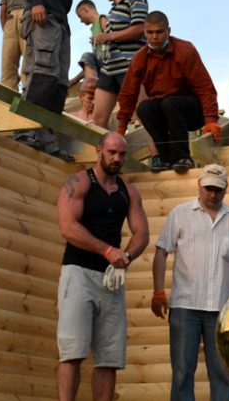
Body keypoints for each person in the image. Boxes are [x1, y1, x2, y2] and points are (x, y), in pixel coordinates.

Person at [57, 131, 149, 401]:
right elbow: (67, 227)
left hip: (112, 279)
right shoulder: (79, 183)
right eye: (112, 152)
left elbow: (141, 234)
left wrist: (126, 259)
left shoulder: (128, 191)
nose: (117, 158)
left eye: (122, 154)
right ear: (98, 151)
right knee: (72, 351)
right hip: (78, 273)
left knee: (109, 357)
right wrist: (108, 250)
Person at [151, 164, 229, 401]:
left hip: (223, 310)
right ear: (199, 185)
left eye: (218, 190)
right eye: (208, 188)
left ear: (226, 189)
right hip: (185, 306)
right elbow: (161, 252)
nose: (212, 194)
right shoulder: (180, 213)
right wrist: (158, 291)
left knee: (222, 374)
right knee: (182, 372)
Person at [16, 0, 109, 159]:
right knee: (42, 72)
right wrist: (36, 2)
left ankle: (47, 138)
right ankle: (25, 129)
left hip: (59, 21)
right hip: (43, 17)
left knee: (58, 82)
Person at [115, 11, 221, 174]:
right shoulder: (140, 58)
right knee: (145, 108)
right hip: (164, 111)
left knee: (170, 103)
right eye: (150, 32)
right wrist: (121, 127)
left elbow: (205, 87)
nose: (154, 37)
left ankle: (182, 158)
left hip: (191, 110)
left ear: (168, 31)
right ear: (144, 33)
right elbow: (128, 93)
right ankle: (165, 158)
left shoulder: (185, 50)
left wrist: (211, 120)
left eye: (159, 32)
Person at [91, 0, 148, 128]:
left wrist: (109, 36)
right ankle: (102, 153)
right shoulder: (113, 8)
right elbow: (116, 35)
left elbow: (140, 28)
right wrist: (100, 39)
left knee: (143, 115)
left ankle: (156, 154)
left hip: (129, 66)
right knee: (98, 120)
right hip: (109, 69)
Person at [0, 0, 29, 91]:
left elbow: (2, 13)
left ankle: (7, 102)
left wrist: (6, 30)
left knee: (8, 71)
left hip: (9, 20)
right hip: (26, 16)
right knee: (28, 64)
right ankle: (28, 97)